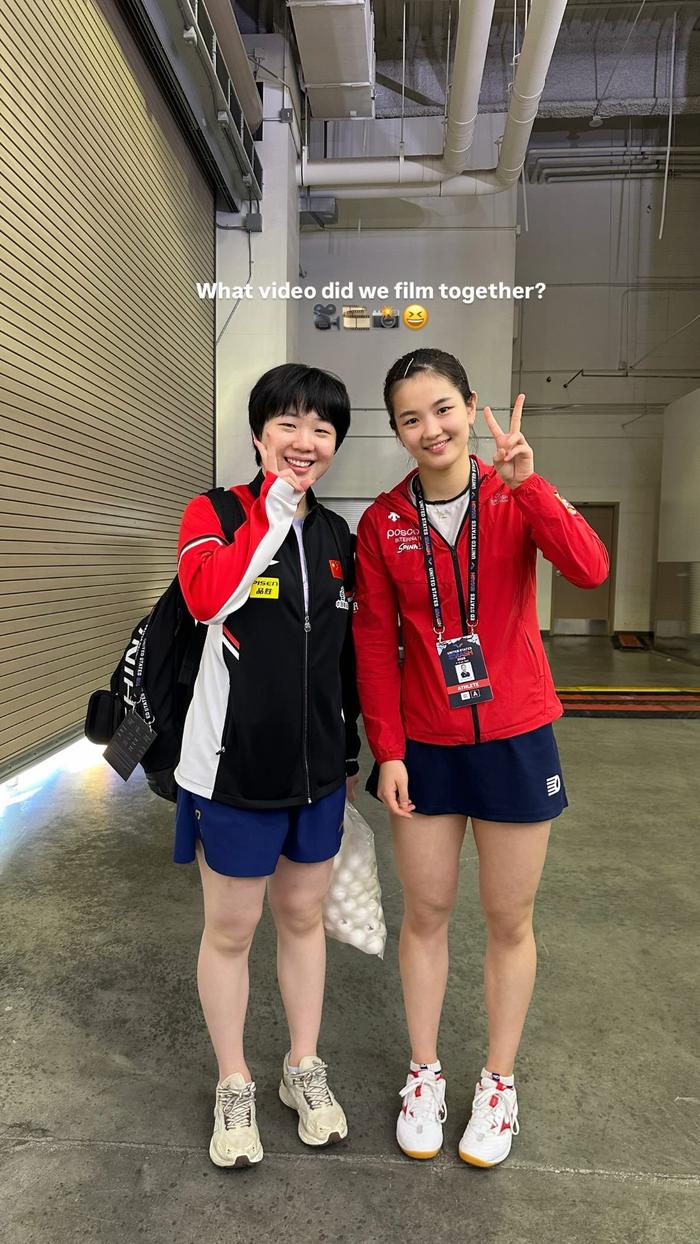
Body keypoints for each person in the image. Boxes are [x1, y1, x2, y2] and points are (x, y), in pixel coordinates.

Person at [353, 348, 608, 1167]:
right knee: (425, 912)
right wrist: (387, 750)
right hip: (425, 744)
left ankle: (498, 1083)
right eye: (411, 418)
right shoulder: (383, 523)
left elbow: (590, 569)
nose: (431, 429)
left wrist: (532, 486)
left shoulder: (512, 495)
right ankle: (424, 1073)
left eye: (442, 409)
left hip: (516, 737)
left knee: (508, 919)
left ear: (471, 406)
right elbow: (373, 644)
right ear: (397, 431)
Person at [174, 363, 360, 1168]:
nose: (305, 440)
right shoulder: (214, 513)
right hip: (231, 771)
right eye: (288, 423)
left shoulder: (339, 536)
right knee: (231, 928)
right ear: (258, 435)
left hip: (316, 777)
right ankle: (234, 1080)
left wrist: (348, 753)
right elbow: (206, 598)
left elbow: (346, 658)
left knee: (303, 919)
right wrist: (274, 510)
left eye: (322, 428)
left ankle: (301, 1066)